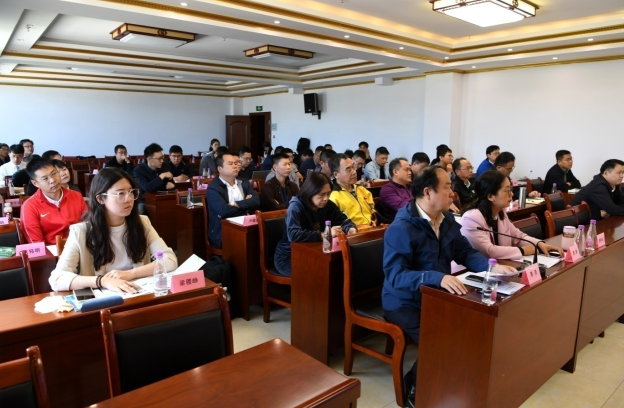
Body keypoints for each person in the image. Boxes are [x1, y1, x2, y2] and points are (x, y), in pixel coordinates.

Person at [382, 166, 517, 407]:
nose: (453, 193)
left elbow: (464, 252)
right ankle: (413, 386)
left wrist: (490, 267)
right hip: (404, 301)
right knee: (441, 339)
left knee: (473, 326)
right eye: (447, 187)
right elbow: (395, 275)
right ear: (428, 192)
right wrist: (437, 278)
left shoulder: (446, 220)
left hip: (437, 296)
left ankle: (458, 381)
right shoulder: (401, 228)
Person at [48, 168, 176, 293]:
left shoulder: (142, 223)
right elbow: (57, 279)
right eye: (120, 193)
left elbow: (170, 260)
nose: (129, 198)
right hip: (105, 300)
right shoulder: (81, 232)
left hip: (138, 294)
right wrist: (103, 281)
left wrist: (131, 273)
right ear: (100, 199)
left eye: (131, 192)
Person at [461, 171, 563, 259]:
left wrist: (539, 244)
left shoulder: (500, 213)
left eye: (511, 189)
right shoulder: (471, 218)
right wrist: (522, 251)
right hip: (471, 272)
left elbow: (517, 236)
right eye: (507, 190)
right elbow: (489, 251)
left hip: (498, 266)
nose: (512, 194)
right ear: (491, 196)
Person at [273, 172, 357, 276]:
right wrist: (325, 234)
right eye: (322, 194)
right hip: (289, 256)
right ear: (310, 192)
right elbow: (293, 235)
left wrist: (350, 228)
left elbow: (343, 220)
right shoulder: (296, 206)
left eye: (328, 193)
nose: (326, 198)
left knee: (341, 268)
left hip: (316, 252)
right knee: (320, 273)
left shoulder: (327, 205)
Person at [21, 159, 88, 245]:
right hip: (52, 250)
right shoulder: (29, 206)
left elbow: (87, 226)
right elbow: (36, 243)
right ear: (35, 183)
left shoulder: (76, 196)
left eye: (54, 174)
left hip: (79, 246)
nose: (52, 180)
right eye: (45, 179)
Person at [207, 153, 260, 248]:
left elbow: (256, 201)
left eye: (236, 163)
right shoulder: (213, 188)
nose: (235, 166)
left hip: (247, 226)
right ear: (220, 169)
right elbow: (224, 211)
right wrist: (246, 206)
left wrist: (235, 204)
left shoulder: (244, 182)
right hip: (224, 230)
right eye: (230, 164)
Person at [329, 154, 389, 228]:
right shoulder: (333, 196)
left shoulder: (361, 190)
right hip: (354, 232)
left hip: (372, 228)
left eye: (353, 167)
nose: (354, 172)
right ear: (336, 174)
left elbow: (373, 212)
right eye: (348, 170)